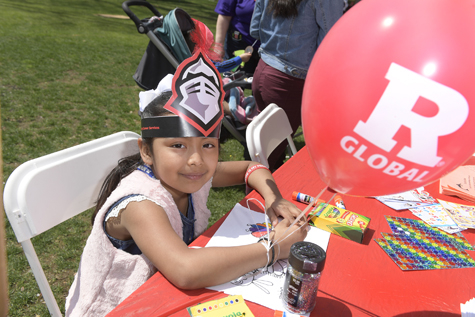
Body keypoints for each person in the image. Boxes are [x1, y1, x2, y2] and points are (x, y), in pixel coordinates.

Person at [65, 50, 307, 317]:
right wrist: (273, 248)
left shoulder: (193, 176)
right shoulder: (141, 203)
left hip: (167, 298)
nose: (196, 160)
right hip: (120, 308)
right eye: (178, 145)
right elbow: (186, 270)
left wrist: (274, 199)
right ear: (146, 151)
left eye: (207, 145)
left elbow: (252, 168)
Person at [250, 0, 343, 171]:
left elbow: (254, 30)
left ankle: (265, 194)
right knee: (266, 162)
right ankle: (256, 197)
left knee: (268, 156)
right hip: (287, 83)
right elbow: (332, 41)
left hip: (264, 71)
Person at [214, 0, 261, 75]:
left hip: (269, 50)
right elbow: (224, 15)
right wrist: (218, 47)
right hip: (237, 46)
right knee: (231, 83)